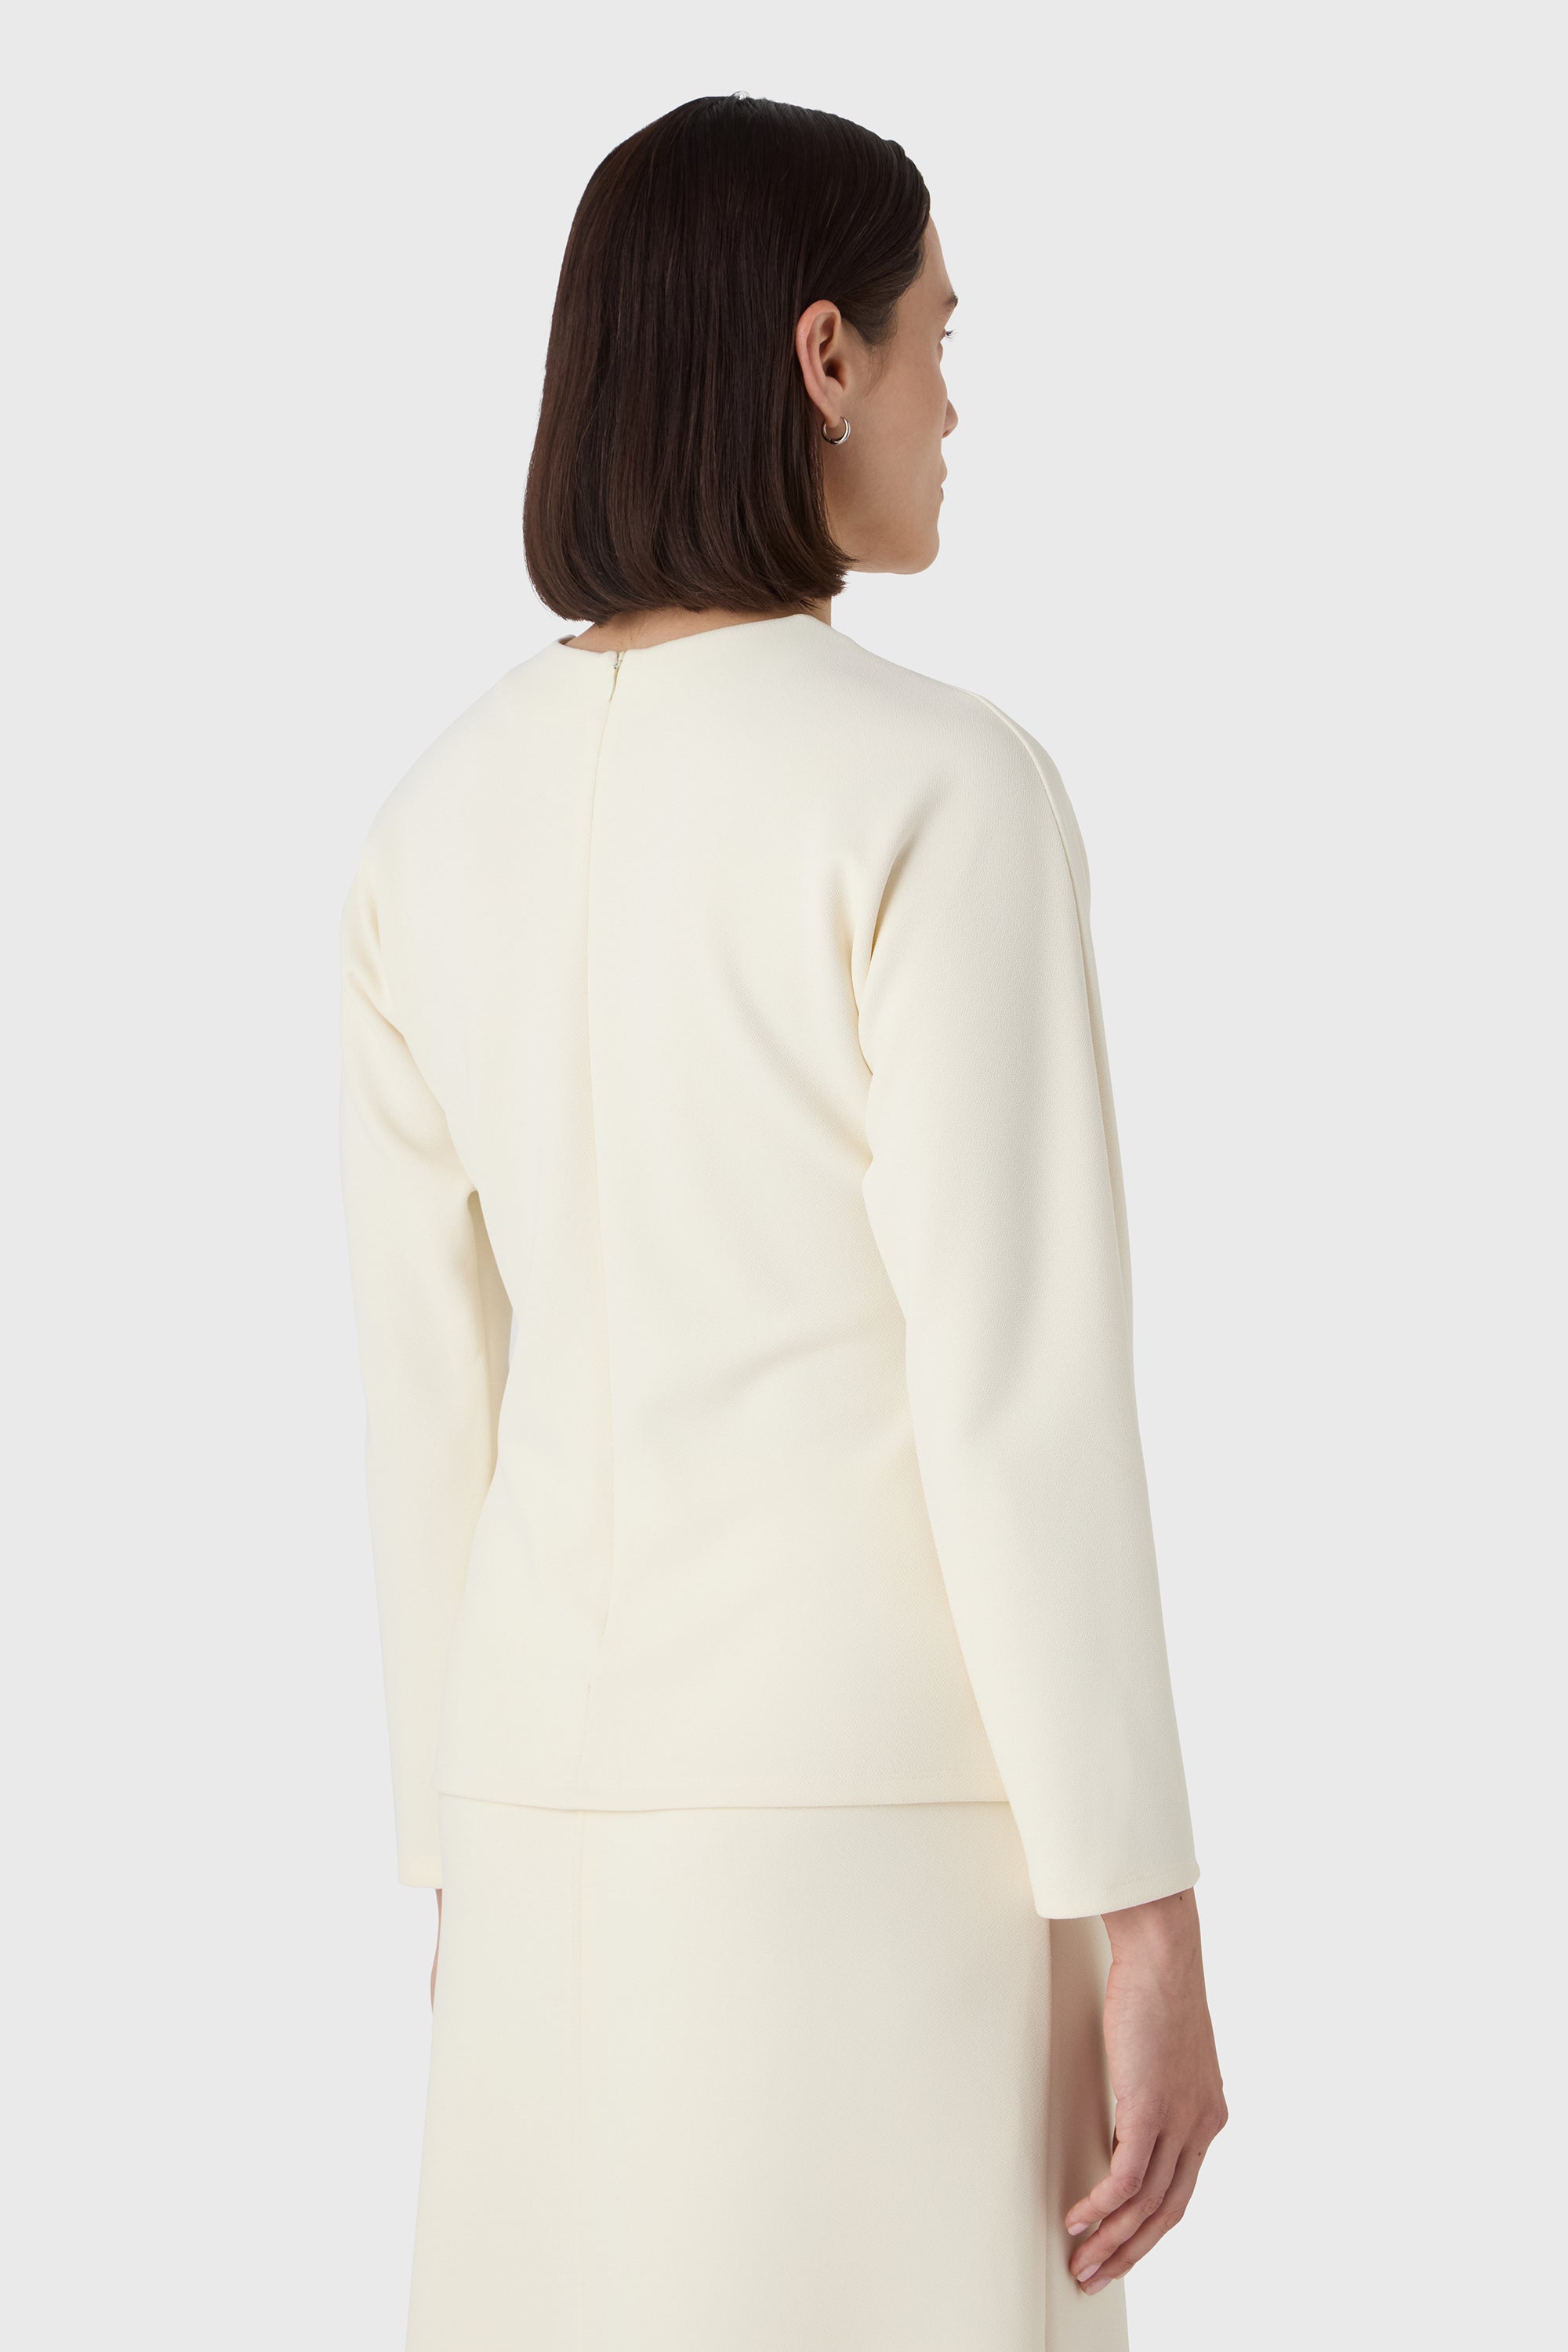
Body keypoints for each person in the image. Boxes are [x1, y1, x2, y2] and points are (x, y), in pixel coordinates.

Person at [339, 92, 1225, 2352]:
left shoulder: (428, 827)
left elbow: (431, 1408)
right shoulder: (941, 790)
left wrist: (457, 1857)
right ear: (825, 357)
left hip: (544, 1826)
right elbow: (1016, 1392)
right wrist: (1144, 1910)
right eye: (941, 337)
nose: (957, 403)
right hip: (885, 1835)